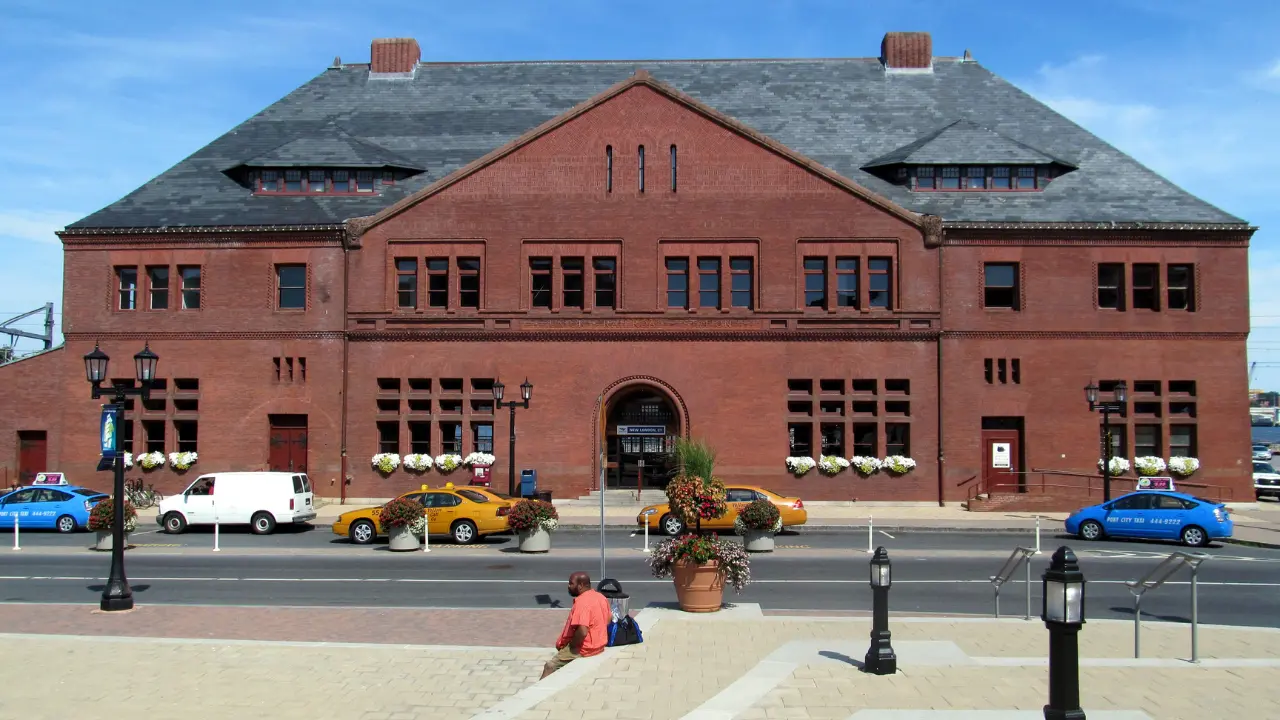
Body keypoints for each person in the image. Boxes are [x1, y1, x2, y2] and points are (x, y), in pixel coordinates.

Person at [542, 571, 611, 678]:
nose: (568, 586)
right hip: (599, 645)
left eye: (571, 583)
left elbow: (582, 631)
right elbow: (608, 619)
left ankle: (542, 688)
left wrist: (572, 646)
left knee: (549, 666)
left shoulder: (582, 602)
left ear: (580, 585)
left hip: (584, 649)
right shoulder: (600, 597)